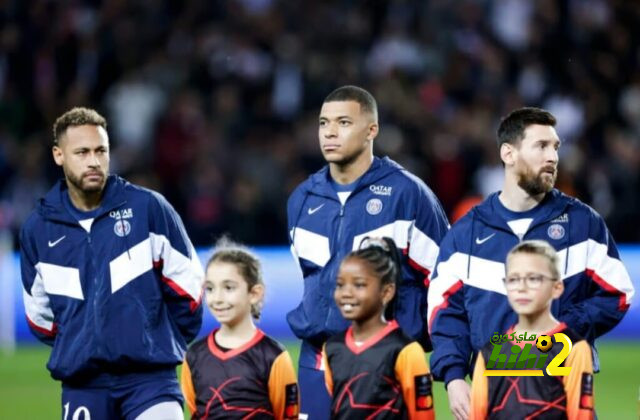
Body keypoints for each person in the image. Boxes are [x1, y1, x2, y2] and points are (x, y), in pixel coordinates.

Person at [427, 107, 634, 420]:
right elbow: (445, 311)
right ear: (508, 153)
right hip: (493, 395)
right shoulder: (466, 233)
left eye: (555, 147)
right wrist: (454, 377)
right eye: (541, 146)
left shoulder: (582, 223)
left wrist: (560, 332)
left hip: (563, 393)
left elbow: (617, 293)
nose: (552, 156)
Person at [19, 107, 203, 420]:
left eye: (100, 151)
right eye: (82, 152)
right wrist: (82, 342)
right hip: (83, 386)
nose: (93, 161)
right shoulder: (38, 229)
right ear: (58, 155)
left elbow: (190, 292)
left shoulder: (148, 209)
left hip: (150, 380)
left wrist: (152, 339)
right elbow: (40, 317)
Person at [287, 85, 449, 418]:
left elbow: (445, 284)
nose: (330, 132)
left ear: (371, 130)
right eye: (323, 123)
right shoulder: (302, 199)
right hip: (316, 361)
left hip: (386, 364)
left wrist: (447, 360)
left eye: (343, 122)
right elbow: (311, 282)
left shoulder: (408, 195)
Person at [470, 240, 594, 419]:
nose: (522, 287)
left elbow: (581, 416)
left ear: (557, 287)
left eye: (534, 278)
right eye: (513, 279)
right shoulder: (490, 351)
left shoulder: (572, 348)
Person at [181, 238, 299, 419]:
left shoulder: (273, 355)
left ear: (254, 293)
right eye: (210, 288)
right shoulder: (194, 356)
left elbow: (287, 415)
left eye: (228, 287)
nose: (217, 298)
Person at [323, 237, 434, 419]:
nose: (346, 293)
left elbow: (423, 415)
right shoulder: (332, 348)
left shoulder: (406, 351)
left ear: (386, 292)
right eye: (340, 285)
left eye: (359, 285)